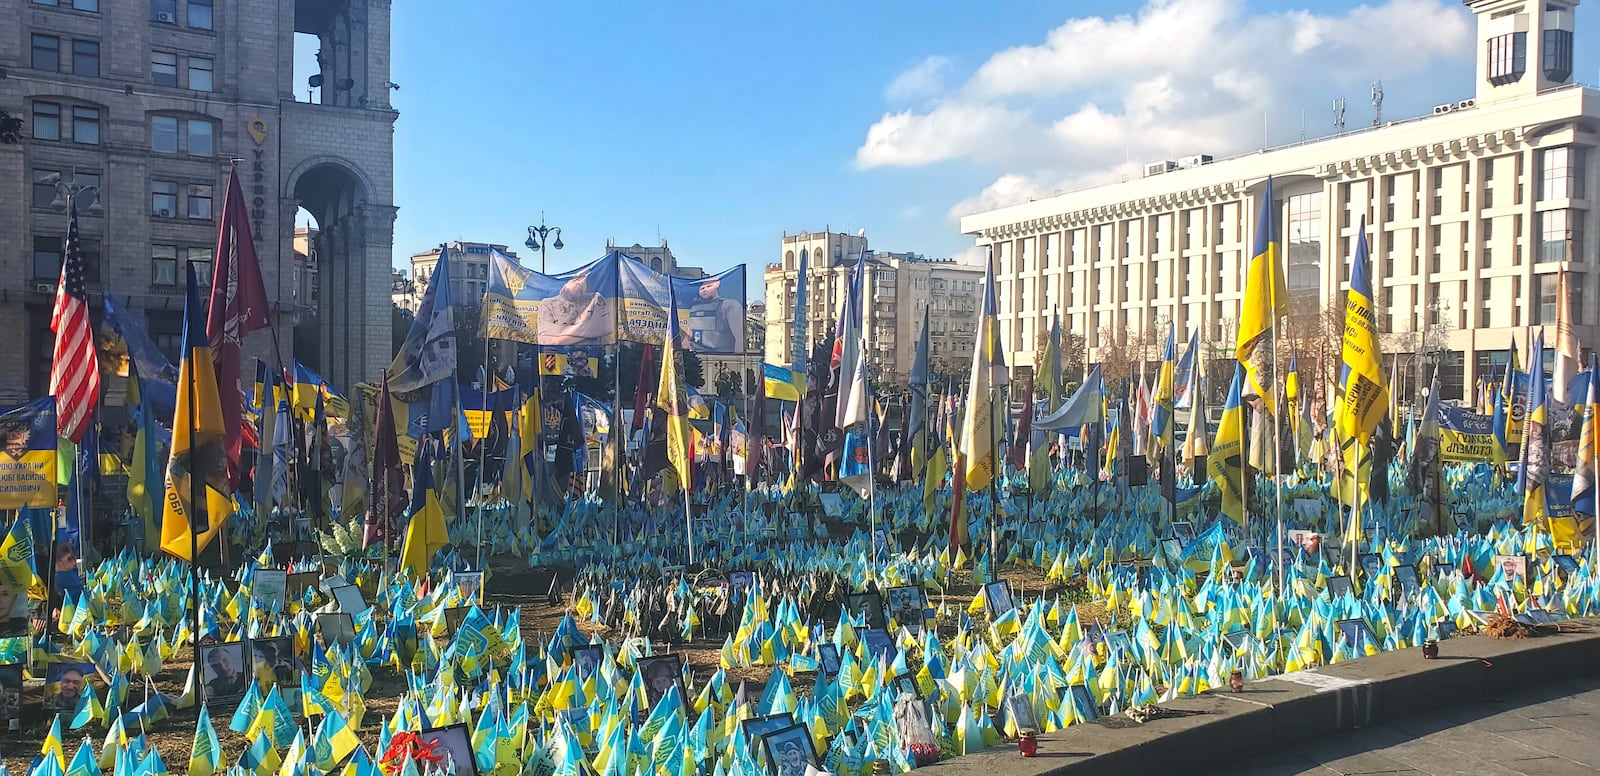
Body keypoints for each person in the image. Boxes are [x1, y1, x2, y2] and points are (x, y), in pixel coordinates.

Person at [685, 278, 743, 353]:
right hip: (695, 356)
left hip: (721, 358)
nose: (705, 290)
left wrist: (737, 360)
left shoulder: (729, 305)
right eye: (702, 288)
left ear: (717, 284)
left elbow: (740, 337)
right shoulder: (694, 308)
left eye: (709, 286)